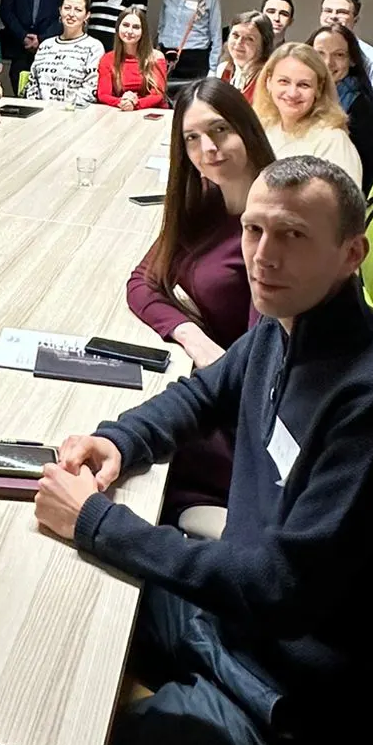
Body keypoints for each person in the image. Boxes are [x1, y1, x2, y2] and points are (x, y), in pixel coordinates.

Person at [35, 156, 373, 745]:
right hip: (237, 628)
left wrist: (98, 523)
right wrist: (121, 441)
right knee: (62, 601)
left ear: (351, 254)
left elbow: (281, 589)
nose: (264, 256)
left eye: (293, 235)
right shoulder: (285, 323)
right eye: (254, 230)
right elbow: (204, 393)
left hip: (295, 710)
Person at [126, 81, 274, 512]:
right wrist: (193, 336)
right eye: (192, 138)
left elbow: (262, 370)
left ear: (247, 128)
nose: (208, 148)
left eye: (219, 130)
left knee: (135, 475)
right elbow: (143, 282)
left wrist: (218, 363)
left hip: (243, 425)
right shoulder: (207, 201)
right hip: (215, 386)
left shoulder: (270, 226)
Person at [252, 44, 363, 187]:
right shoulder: (263, 127)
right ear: (269, 82)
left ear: (319, 89)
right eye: (284, 81)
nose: (292, 93)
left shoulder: (332, 141)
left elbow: (345, 199)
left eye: (303, 85)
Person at [310, 24, 373, 191]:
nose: (328, 62)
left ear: (352, 60)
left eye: (339, 55)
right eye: (320, 53)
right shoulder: (301, 96)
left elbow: (360, 177)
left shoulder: (359, 107)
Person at [319, 0, 373, 127]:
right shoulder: (307, 51)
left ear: (355, 19)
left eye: (342, 12)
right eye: (328, 11)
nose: (333, 16)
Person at [156, 0, 223, 83]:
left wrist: (213, 69)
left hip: (195, 59)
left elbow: (216, 36)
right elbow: (161, 26)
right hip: (167, 57)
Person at [25, 0, 102, 106]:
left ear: (87, 15)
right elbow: (32, 83)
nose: (71, 14)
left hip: (75, 113)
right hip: (41, 112)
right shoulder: (46, 45)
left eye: (78, 10)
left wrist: (65, 110)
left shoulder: (94, 47)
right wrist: (38, 108)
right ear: (60, 11)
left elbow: (91, 87)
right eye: (67, 8)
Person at [97, 8, 168, 111]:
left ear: (143, 31)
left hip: (151, 112)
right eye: (125, 25)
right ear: (118, 28)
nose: (129, 31)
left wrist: (135, 104)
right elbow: (103, 95)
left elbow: (158, 95)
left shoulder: (156, 57)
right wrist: (122, 102)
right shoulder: (107, 59)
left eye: (136, 27)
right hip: (121, 110)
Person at [218, 10, 274, 103]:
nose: (239, 42)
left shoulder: (268, 79)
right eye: (235, 35)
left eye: (249, 38)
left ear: (263, 45)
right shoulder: (222, 69)